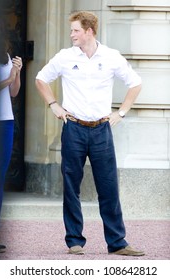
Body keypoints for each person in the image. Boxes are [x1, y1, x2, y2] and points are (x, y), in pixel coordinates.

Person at [35, 11, 145, 256]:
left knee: (108, 186)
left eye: (75, 30)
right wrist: (54, 105)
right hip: (72, 128)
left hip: (101, 130)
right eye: (72, 30)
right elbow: (41, 79)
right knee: (71, 186)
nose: (71, 34)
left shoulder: (111, 56)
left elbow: (135, 82)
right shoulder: (65, 57)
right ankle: (74, 240)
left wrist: (122, 112)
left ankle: (117, 242)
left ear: (89, 31)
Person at [0, 17, 22, 253]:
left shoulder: (5, 53)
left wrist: (18, 73)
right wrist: (9, 77)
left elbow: (14, 92)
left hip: (5, 122)